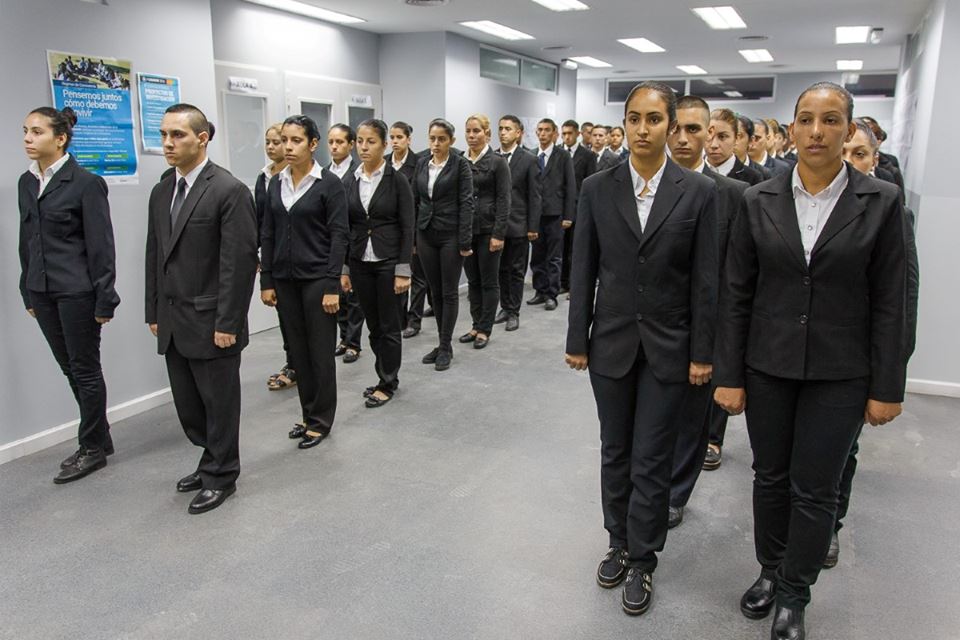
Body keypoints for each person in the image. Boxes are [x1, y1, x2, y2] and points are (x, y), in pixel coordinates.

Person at [713, 82, 908, 640]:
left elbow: (893, 300)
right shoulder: (758, 200)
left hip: (841, 372)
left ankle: (795, 594)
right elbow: (736, 294)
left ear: (849, 131)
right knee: (770, 477)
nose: (816, 131)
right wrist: (728, 376)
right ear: (791, 129)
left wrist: (887, 385)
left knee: (816, 486)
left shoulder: (882, 201)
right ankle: (770, 571)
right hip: (767, 365)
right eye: (805, 119)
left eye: (830, 120)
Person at [566, 81, 718, 617]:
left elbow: (705, 280)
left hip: (670, 347)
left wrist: (704, 352)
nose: (643, 128)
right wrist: (575, 338)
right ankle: (617, 540)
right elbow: (583, 267)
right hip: (609, 343)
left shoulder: (698, 193)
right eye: (634, 118)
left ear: (671, 126)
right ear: (625, 123)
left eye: (655, 119)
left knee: (651, 456)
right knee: (616, 450)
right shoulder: (596, 187)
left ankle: (643, 560)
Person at [146, 104, 258, 514]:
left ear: (202, 138)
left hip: (214, 321)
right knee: (190, 406)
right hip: (175, 320)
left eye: (177, 135)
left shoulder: (229, 191)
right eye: (163, 135)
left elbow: (239, 263)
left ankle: (222, 474)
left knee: (219, 404)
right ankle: (209, 457)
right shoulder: (162, 190)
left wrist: (228, 321)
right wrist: (153, 311)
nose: (168, 144)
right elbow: (155, 255)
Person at [824, 119, 919, 568]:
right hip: (803, 350)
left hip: (856, 358)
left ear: (874, 159)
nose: (849, 163)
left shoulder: (889, 208)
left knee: (842, 453)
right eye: (844, 153)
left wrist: (890, 372)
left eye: (859, 154)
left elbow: (902, 297)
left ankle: (830, 527)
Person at [19, 106, 119, 484]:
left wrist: (104, 296)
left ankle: (92, 448)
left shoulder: (85, 183)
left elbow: (101, 246)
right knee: (69, 368)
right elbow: (26, 240)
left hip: (77, 291)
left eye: (37, 132)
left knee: (85, 369)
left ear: (60, 139)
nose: (28, 138)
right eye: (26, 131)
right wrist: (27, 288)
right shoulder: (26, 183)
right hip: (41, 291)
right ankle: (100, 436)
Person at [664, 95, 747, 529]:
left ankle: (677, 492)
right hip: (654, 327)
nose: (683, 138)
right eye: (675, 127)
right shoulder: (644, 188)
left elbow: (737, 275)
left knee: (692, 421)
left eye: (694, 129)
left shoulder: (733, 195)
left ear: (710, 133)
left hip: (704, 329)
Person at [260, 115, 348, 448]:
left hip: (317, 280)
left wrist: (331, 285)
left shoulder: (328, 184)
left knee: (319, 353)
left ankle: (322, 420)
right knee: (298, 352)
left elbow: (339, 236)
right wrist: (266, 279)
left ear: (313, 144)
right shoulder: (274, 183)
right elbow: (267, 232)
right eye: (284, 140)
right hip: (284, 280)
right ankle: (308, 414)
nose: (288, 146)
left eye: (296, 140)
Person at [340, 119, 414, 408]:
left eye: (371, 141)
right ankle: (382, 375)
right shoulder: (351, 179)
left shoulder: (397, 180)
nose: (364, 147)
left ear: (384, 145)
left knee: (389, 326)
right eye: (359, 141)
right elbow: (347, 227)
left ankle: (388, 381)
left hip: (388, 262)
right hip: (360, 261)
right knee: (373, 326)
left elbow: (408, 227)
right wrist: (345, 268)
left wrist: (403, 269)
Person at [413, 118, 474, 371]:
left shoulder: (460, 165)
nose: (436, 144)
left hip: (450, 234)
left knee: (449, 292)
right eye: (432, 138)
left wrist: (464, 240)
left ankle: (446, 346)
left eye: (441, 139)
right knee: (434, 291)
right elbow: (416, 199)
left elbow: (467, 203)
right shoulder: (421, 162)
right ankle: (441, 341)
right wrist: (414, 237)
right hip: (426, 233)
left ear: (451, 141)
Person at [459, 114, 510, 349]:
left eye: (477, 131)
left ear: (487, 134)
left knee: (489, 281)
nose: (472, 135)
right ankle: (475, 323)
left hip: (489, 229)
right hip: (467, 230)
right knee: (473, 281)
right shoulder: (460, 160)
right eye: (468, 131)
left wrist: (499, 234)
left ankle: (485, 329)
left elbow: (504, 199)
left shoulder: (498, 162)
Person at [256, 123, 296, 392]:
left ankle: (297, 365)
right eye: (268, 142)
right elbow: (261, 220)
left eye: (277, 141)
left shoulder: (299, 177)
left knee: (296, 319)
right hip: (275, 255)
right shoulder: (264, 177)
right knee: (284, 316)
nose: (272, 147)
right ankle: (292, 362)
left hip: (299, 257)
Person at [495, 115, 542, 332]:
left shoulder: (528, 159)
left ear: (518, 133)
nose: (503, 132)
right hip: (495, 225)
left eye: (508, 129)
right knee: (499, 270)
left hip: (518, 224)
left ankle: (513, 311)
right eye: (501, 128)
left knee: (515, 270)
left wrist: (533, 227)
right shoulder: (493, 157)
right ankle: (504, 306)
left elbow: (534, 195)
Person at [390, 121, 432, 339]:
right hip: (390, 231)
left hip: (413, 228)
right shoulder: (386, 163)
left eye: (399, 137)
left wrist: (416, 238)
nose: (395, 142)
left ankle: (414, 320)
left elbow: (419, 202)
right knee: (396, 277)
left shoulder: (419, 164)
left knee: (417, 277)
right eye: (392, 138)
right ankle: (400, 319)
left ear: (408, 139)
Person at [528, 118, 575, 311]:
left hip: (555, 214)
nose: (543, 133)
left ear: (554, 133)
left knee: (554, 256)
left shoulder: (562, 156)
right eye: (540, 130)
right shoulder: (531, 155)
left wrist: (568, 215)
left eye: (547, 130)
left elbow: (570, 186)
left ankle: (551, 294)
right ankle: (540, 290)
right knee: (537, 255)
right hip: (535, 215)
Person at [327, 123, 364, 364]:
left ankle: (354, 342)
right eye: (331, 142)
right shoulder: (323, 174)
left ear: (351, 145)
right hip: (331, 241)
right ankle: (343, 337)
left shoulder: (358, 171)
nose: (334, 146)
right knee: (336, 293)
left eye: (340, 142)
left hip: (354, 239)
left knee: (353, 295)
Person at [558, 119, 596, 296]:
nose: (566, 137)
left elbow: (591, 184)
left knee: (576, 250)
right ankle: (562, 282)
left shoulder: (587, 156)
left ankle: (575, 285)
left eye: (569, 133)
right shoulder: (558, 153)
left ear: (577, 134)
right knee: (561, 249)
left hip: (579, 208)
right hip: (561, 208)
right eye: (564, 133)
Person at [707, 108, 764, 186]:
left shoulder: (753, 178)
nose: (714, 145)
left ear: (736, 138)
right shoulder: (692, 172)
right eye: (708, 136)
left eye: (722, 137)